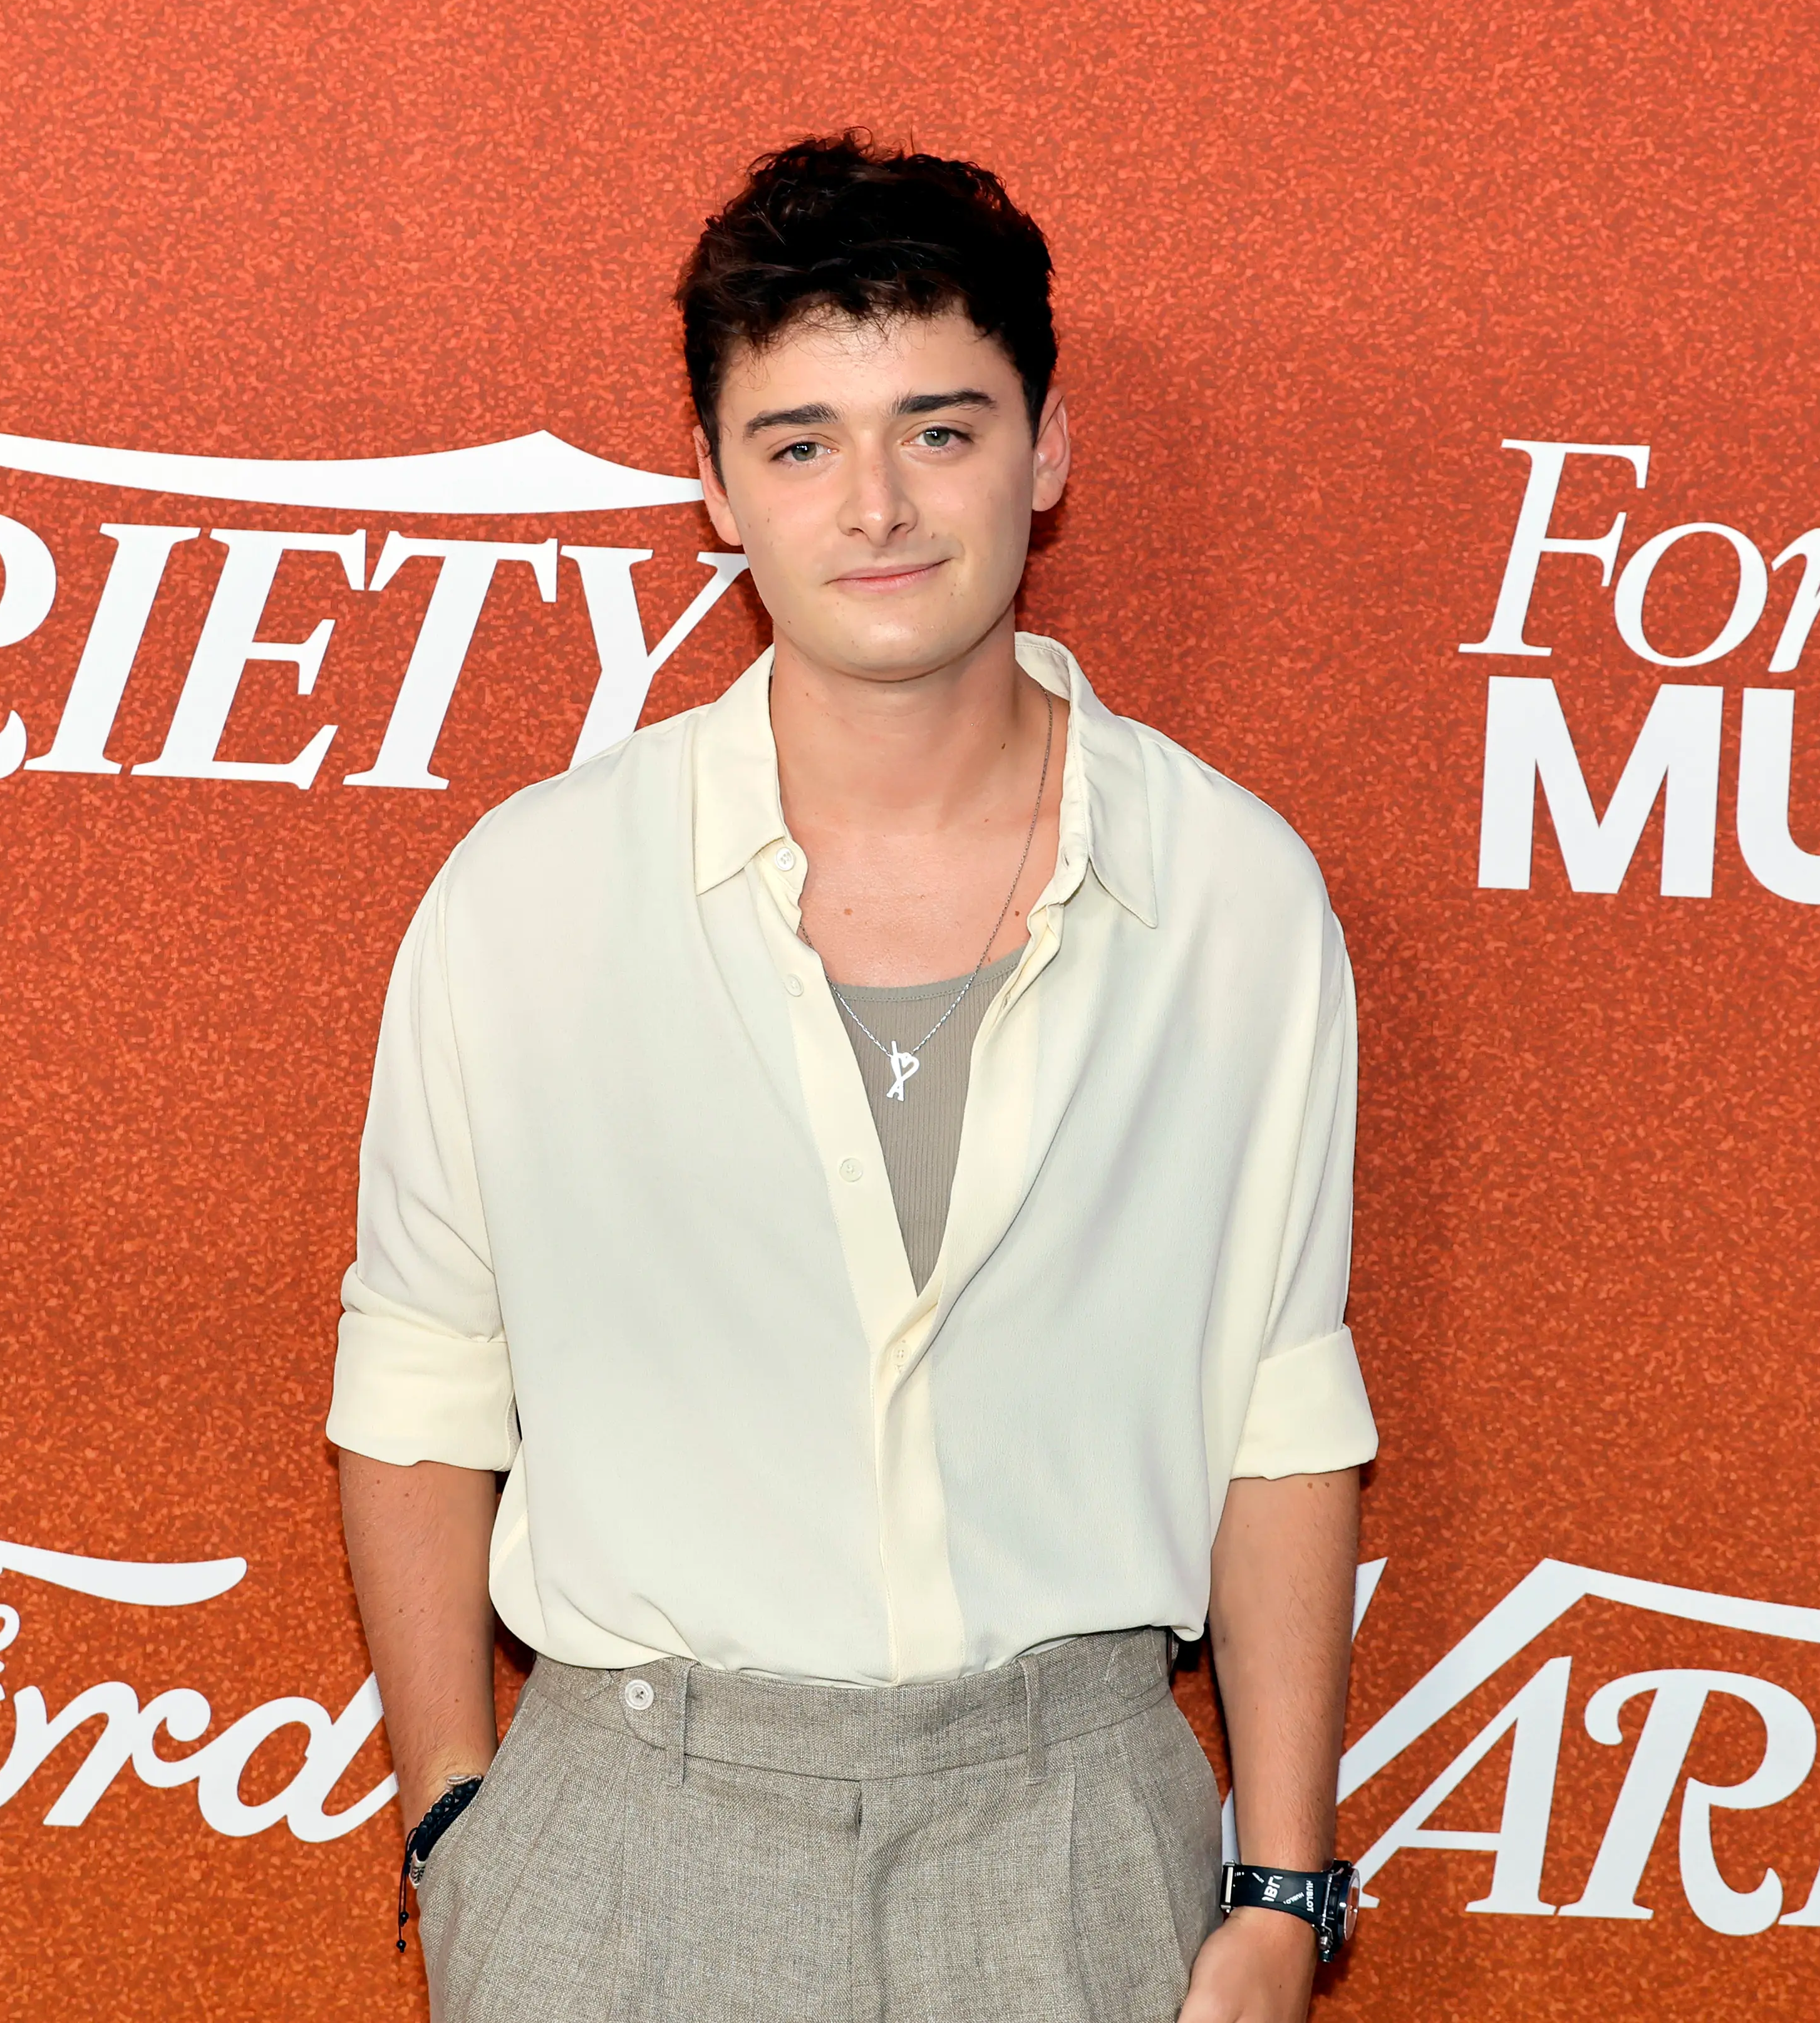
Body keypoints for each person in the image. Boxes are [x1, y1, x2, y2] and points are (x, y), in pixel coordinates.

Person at [328, 132, 1375, 2023]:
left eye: (940, 430)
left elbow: (1278, 1405)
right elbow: (418, 1375)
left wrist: (1284, 1882)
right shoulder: (533, 894)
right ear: (716, 485)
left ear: (1045, 452)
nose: (876, 505)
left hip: (1075, 1834)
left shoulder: (1232, 893)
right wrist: (458, 1827)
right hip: (619, 1849)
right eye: (801, 442)